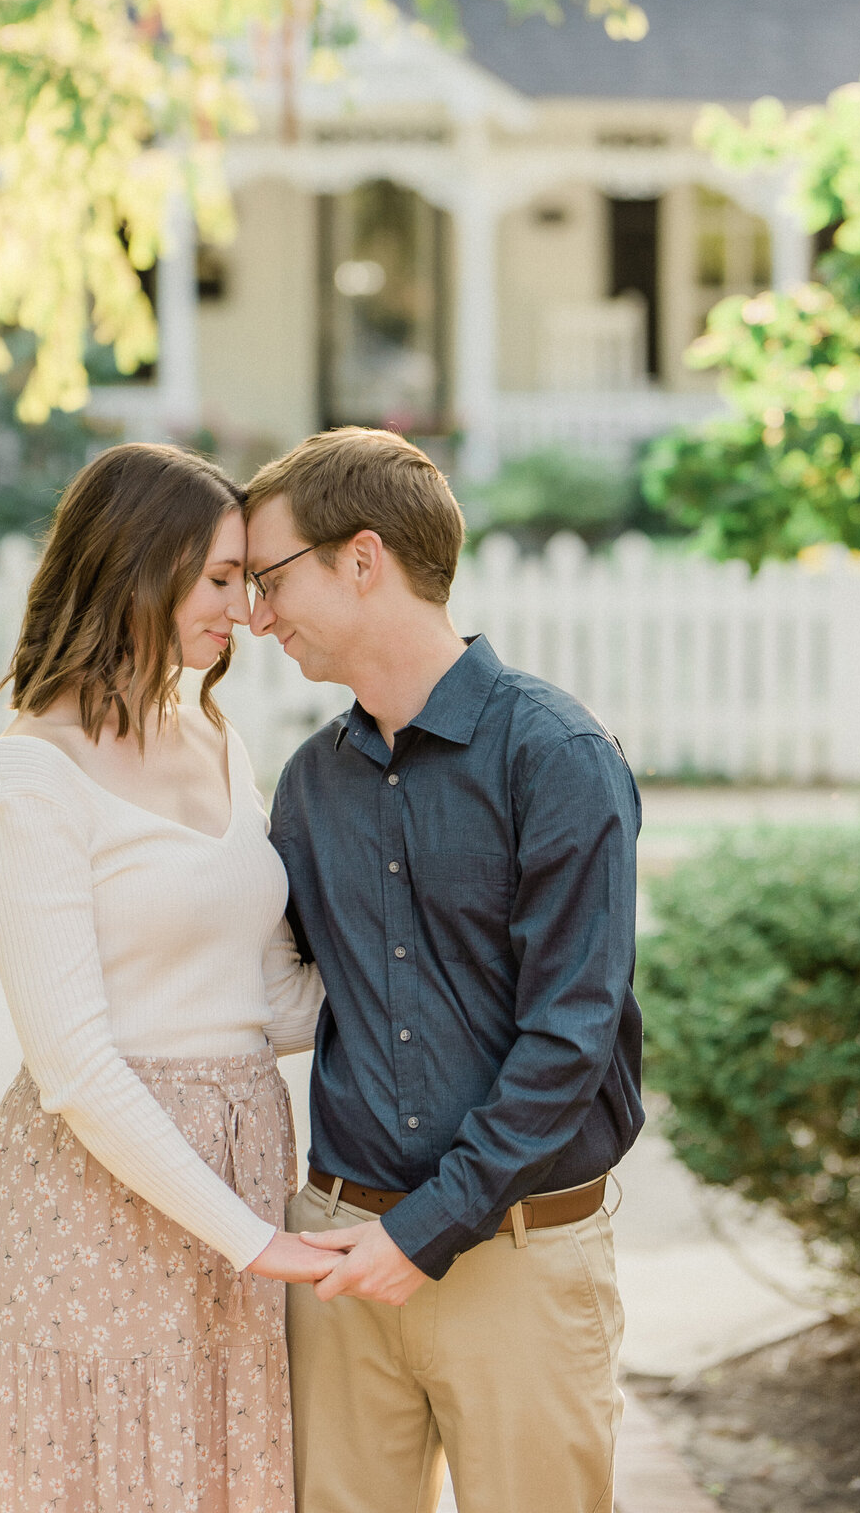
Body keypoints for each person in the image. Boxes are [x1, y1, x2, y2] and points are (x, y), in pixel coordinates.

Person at [243, 426, 644, 1513]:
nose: (254, 614)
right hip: (338, 1253)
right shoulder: (308, 785)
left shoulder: (554, 756)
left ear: (361, 560)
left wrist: (426, 1231)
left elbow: (572, 1032)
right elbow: (282, 994)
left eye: (272, 579)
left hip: (517, 1260)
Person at [0, 443, 329, 1513]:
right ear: (135, 571)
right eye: (219, 580)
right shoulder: (34, 775)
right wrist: (257, 1242)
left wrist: (449, 981)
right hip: (92, 1213)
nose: (246, 614)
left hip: (242, 1175)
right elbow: (73, 1065)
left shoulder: (213, 738)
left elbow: (272, 1002)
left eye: (250, 582)